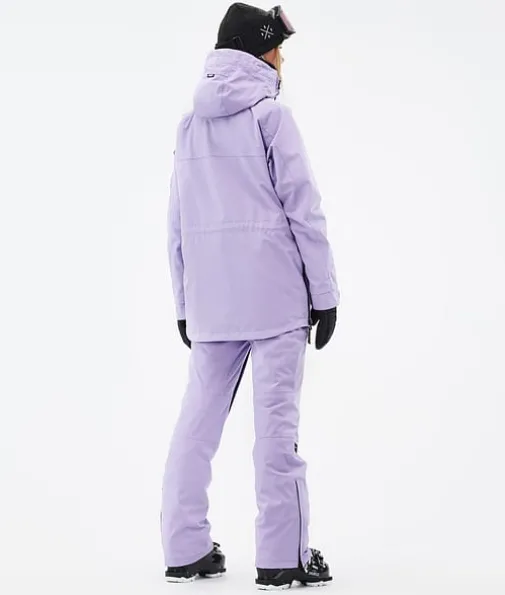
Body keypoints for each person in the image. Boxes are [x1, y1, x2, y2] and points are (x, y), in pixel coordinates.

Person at [162, 2, 340, 589]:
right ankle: (283, 558)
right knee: (276, 432)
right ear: (258, 52)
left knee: (197, 424)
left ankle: (185, 548)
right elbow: (304, 209)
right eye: (277, 48)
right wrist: (324, 294)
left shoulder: (190, 125)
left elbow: (177, 223)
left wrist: (184, 305)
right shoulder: (271, 117)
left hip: (212, 303)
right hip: (275, 301)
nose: (282, 59)